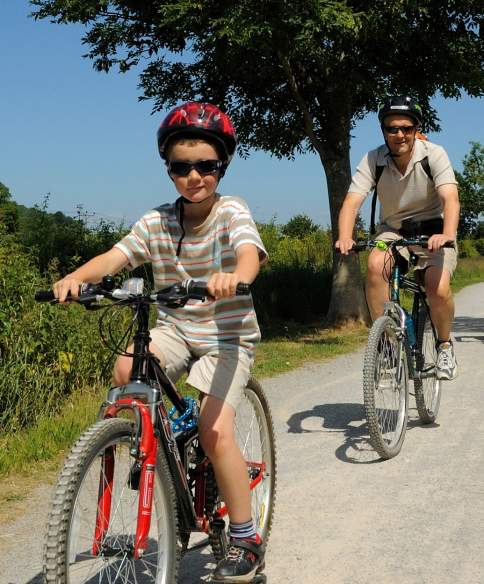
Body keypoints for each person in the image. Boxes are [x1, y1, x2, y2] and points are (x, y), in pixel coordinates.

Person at [53, 102, 268, 581]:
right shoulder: (155, 222)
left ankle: (245, 532)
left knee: (215, 432)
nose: (194, 176)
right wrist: (74, 278)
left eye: (206, 166)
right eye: (181, 167)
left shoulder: (232, 210)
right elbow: (115, 258)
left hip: (226, 336)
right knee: (127, 368)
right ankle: (158, 440)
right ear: (169, 169)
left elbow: (249, 251)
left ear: (222, 166)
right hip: (176, 328)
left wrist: (235, 276)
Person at [336, 95, 460, 380]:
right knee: (375, 264)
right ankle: (389, 344)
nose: (399, 134)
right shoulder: (374, 159)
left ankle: (444, 345)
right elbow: (351, 202)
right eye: (392, 128)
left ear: (416, 129)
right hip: (394, 229)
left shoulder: (433, 154)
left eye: (406, 128)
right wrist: (345, 237)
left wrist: (447, 235)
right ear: (384, 131)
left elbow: (450, 199)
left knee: (436, 288)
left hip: (433, 230)